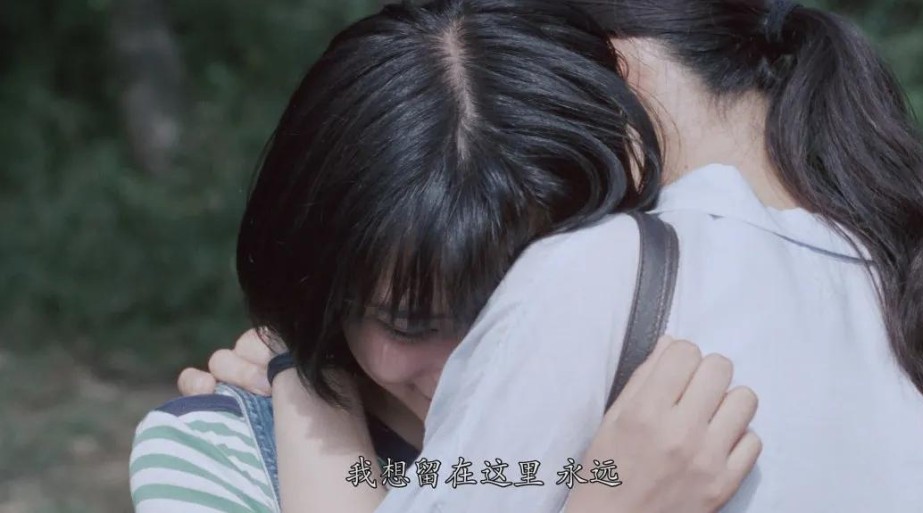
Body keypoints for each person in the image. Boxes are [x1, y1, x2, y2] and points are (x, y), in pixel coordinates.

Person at [187, 0, 923, 511]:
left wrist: (302, 385)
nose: (465, 359)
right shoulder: (897, 275)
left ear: (611, 74)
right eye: (405, 317)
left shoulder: (599, 275)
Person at [130, 1, 759, 512]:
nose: (467, 365)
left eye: (518, 308)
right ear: (320, 285)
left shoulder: (682, 429)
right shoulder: (220, 454)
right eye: (409, 324)